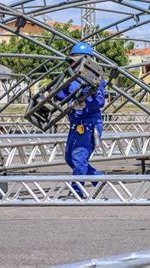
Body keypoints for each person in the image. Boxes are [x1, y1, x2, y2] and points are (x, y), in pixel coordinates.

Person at [55, 42, 107, 196]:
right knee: (70, 158)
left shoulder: (96, 79)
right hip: (75, 124)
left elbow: (100, 102)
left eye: (76, 61)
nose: (73, 64)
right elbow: (60, 94)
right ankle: (98, 178)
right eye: (72, 61)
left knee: (79, 158)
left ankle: (77, 191)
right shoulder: (72, 78)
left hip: (88, 124)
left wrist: (84, 103)